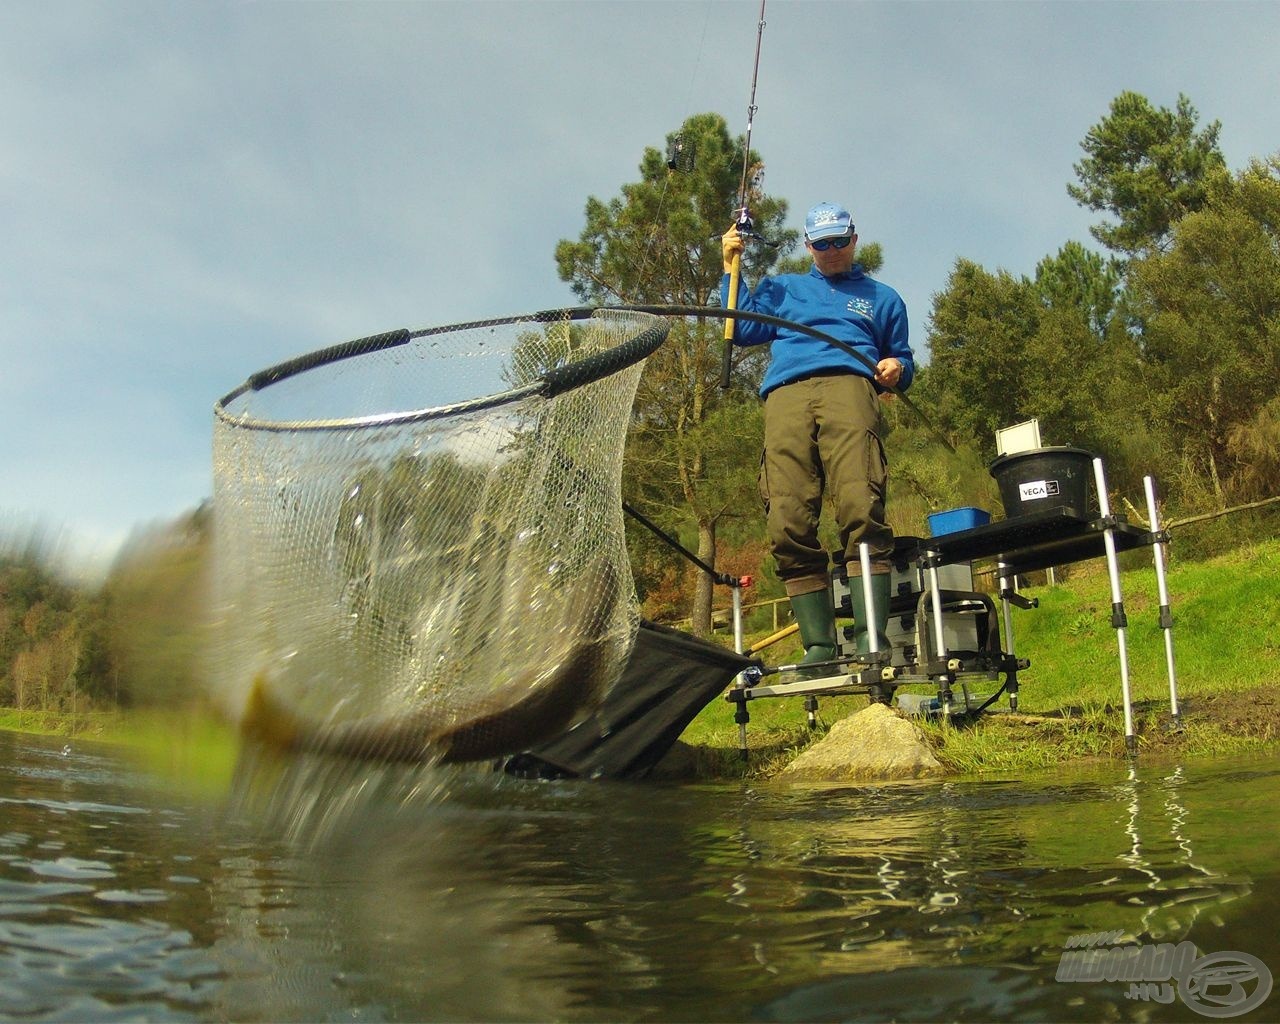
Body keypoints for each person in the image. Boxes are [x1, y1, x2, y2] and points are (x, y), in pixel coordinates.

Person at [721, 201, 914, 670]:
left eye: (839, 241)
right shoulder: (783, 288)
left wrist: (897, 368)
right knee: (786, 513)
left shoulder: (882, 297)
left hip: (850, 386)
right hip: (785, 395)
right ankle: (820, 646)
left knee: (859, 503)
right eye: (821, 243)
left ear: (854, 238)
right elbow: (740, 327)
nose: (831, 251)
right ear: (807, 245)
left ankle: (871, 635)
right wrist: (730, 267)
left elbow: (902, 360)